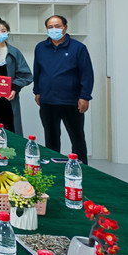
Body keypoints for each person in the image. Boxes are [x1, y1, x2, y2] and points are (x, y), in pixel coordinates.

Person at [33, 15, 94, 163]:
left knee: (77, 138)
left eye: (57, 26)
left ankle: (81, 169)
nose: (54, 29)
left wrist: (85, 96)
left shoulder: (78, 48)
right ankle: (53, 169)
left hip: (71, 101)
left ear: (65, 28)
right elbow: (37, 71)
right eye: (50, 27)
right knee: (51, 138)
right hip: (47, 101)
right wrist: (37, 92)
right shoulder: (40, 47)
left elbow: (86, 74)